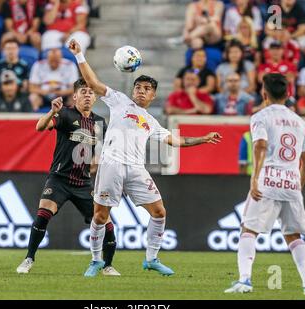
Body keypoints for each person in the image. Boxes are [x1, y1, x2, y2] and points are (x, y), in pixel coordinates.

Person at [68, 39, 222, 277]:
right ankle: (96, 260)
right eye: (138, 87)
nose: (141, 91)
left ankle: (151, 258)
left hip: (136, 169)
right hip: (112, 164)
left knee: (159, 212)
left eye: (147, 89)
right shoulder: (119, 101)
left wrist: (203, 138)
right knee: (100, 215)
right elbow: (92, 83)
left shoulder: (151, 122)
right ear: (133, 91)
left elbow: (176, 140)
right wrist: (79, 55)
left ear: (153, 95)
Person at [16, 79, 120, 276]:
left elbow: (103, 150)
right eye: (83, 92)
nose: (88, 95)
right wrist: (52, 112)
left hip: (83, 182)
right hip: (59, 178)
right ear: (75, 96)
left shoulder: (99, 122)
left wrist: (100, 162)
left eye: (91, 92)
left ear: (96, 97)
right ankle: (29, 258)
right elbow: (40, 127)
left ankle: (107, 266)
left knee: (105, 222)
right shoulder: (64, 114)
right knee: (43, 213)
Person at [224, 73, 305, 295]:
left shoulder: (260, 117)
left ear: (264, 93)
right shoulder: (300, 122)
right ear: (288, 93)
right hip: (291, 183)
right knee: (293, 236)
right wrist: (299, 185)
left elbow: (260, 146)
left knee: (248, 229)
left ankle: (245, 280)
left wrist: (254, 179)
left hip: (267, 180)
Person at [29, 47, 79, 111]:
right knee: (33, 97)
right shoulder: (38, 65)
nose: (54, 63)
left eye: (56, 61)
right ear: (47, 58)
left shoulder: (70, 65)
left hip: (63, 96)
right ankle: (35, 118)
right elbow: (31, 88)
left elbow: (74, 88)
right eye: (52, 60)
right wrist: (45, 92)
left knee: (75, 97)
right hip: (44, 95)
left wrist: (61, 92)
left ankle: (73, 117)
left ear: (61, 58)